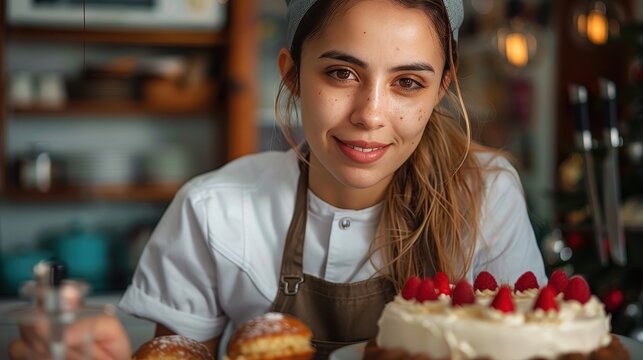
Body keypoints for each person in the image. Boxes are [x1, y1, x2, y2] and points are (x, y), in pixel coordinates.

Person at [9, 0, 546, 359]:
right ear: (291, 72)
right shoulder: (214, 210)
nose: (370, 114)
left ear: (441, 89)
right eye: (342, 73)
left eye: (408, 82)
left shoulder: (485, 195)